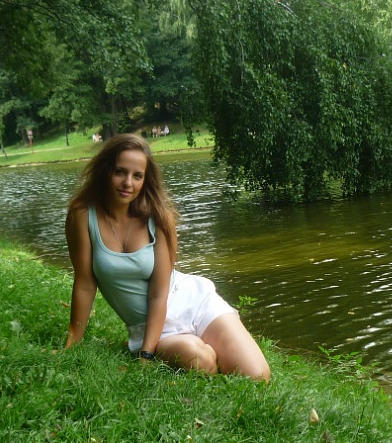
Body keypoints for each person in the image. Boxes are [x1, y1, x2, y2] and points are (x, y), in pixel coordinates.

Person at [65, 134, 270, 381]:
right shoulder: (82, 214)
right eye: (120, 172)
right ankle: (196, 346)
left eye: (137, 176)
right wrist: (72, 345)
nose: (128, 182)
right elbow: (85, 284)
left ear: (145, 179)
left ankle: (207, 342)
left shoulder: (158, 218)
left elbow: (158, 293)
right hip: (153, 328)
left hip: (192, 302)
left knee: (257, 376)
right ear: (106, 171)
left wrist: (145, 356)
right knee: (201, 362)